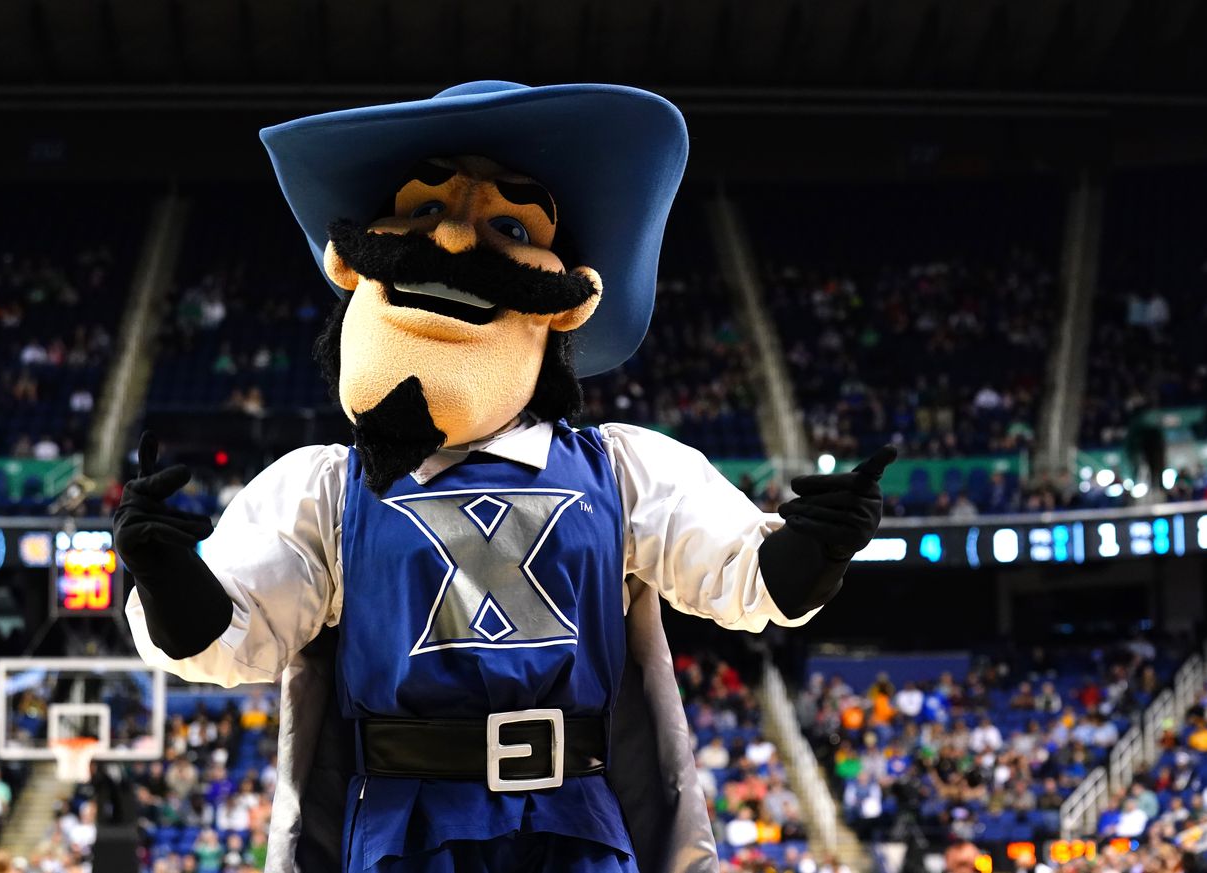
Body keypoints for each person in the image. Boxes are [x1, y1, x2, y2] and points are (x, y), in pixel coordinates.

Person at [117, 82, 893, 873]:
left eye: (510, 225)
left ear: (568, 296)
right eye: (423, 211)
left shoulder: (619, 468)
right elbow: (226, 638)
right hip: (404, 821)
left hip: (576, 815)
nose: (454, 239)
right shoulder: (325, 487)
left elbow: (746, 580)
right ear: (356, 260)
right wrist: (168, 573)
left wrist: (817, 547)